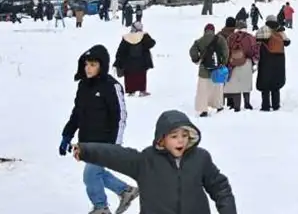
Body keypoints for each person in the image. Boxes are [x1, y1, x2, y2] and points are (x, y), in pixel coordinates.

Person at [73, 110, 236, 214]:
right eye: (174, 136)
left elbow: (220, 188)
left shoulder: (200, 158)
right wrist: (86, 151)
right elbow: (116, 155)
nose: (181, 141)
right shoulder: (146, 161)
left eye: (185, 136)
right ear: (161, 139)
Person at [61, 45, 138, 214]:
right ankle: (126, 191)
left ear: (101, 66)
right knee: (96, 173)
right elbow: (77, 112)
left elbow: (120, 116)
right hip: (87, 142)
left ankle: (101, 207)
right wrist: (67, 135)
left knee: (90, 175)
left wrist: (115, 144)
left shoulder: (111, 86)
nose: (88, 68)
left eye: (93, 64)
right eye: (86, 64)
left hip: (105, 142)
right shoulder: (83, 85)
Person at [189, 24, 227, 117]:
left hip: (204, 70)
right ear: (213, 30)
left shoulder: (200, 40)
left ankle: (204, 110)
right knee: (217, 89)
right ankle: (219, 106)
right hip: (217, 70)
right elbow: (226, 52)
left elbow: (192, 51)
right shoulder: (220, 39)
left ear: (205, 30)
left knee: (203, 91)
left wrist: (196, 59)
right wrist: (223, 63)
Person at [256, 15, 290, 112]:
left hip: (266, 59)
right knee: (276, 85)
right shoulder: (280, 31)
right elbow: (287, 42)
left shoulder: (264, 29)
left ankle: (265, 106)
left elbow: (256, 40)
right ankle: (276, 105)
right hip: (279, 61)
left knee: (265, 83)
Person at [115, 22, 156, 97]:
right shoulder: (144, 35)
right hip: (142, 61)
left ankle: (131, 92)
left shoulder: (126, 37)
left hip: (129, 62)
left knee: (129, 76)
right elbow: (151, 43)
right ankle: (142, 91)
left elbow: (121, 50)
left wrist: (118, 61)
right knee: (141, 76)